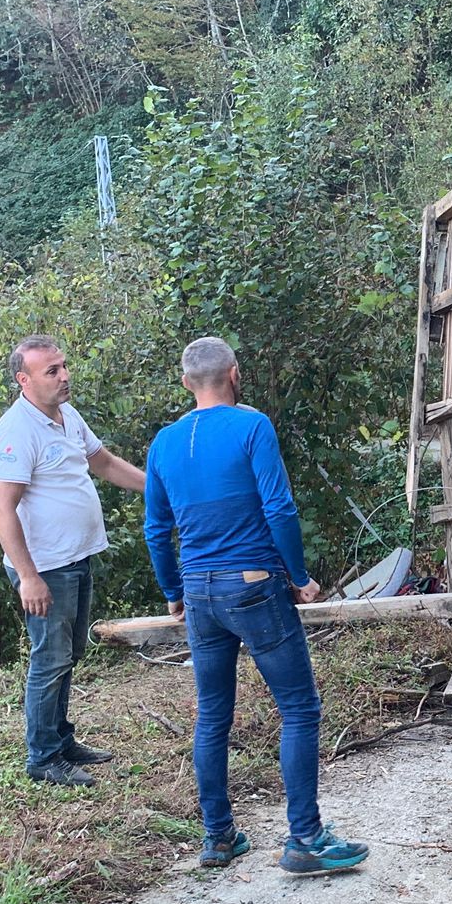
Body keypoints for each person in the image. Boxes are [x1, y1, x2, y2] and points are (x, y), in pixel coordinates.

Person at [142, 336, 369, 874]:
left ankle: (218, 837)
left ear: (185, 383)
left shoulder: (164, 443)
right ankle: (306, 839)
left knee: (213, 712)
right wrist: (299, 577)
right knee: (298, 707)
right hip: (254, 583)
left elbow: (156, 529)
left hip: (199, 591)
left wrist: (174, 590)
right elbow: (280, 509)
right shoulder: (252, 426)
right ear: (235, 374)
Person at [0, 335, 146, 787]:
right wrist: (28, 577)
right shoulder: (16, 431)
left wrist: (159, 488)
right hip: (45, 568)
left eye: (63, 366)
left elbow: (105, 463)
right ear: (24, 380)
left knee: (68, 654)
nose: (64, 375)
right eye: (51, 371)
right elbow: (2, 509)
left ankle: (61, 740)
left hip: (76, 557)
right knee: (51, 658)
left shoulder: (67, 415)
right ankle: (42, 758)